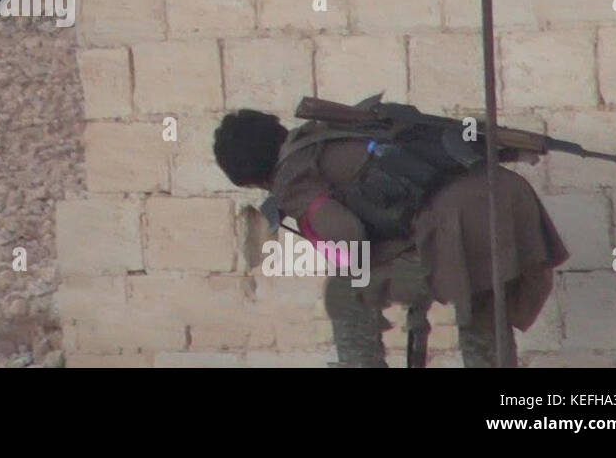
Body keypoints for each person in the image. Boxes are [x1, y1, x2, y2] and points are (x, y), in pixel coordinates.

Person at [213, 107, 569, 367]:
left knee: (345, 293)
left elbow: (347, 235)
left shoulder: (291, 176)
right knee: (482, 300)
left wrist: (363, 269)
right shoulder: (329, 132)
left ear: (253, 177)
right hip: (506, 198)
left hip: (457, 223)